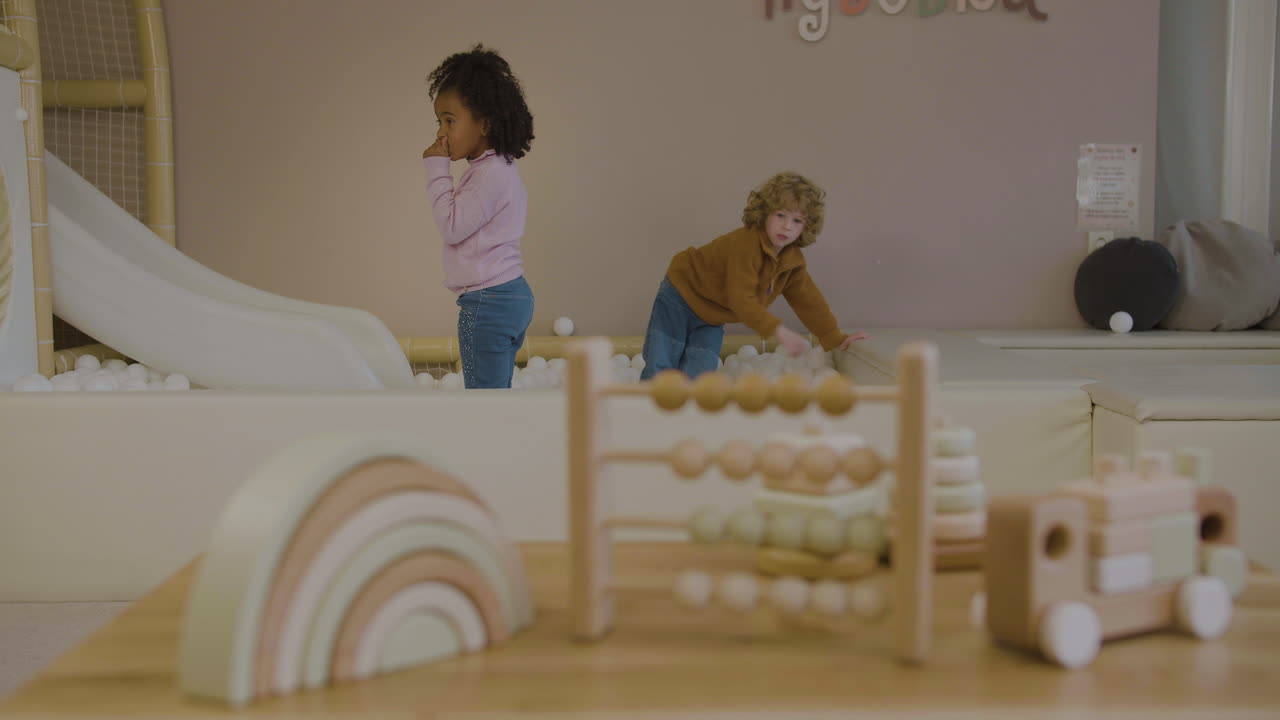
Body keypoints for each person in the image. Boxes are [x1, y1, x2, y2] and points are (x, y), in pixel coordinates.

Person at [640, 171, 868, 380]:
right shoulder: (745, 245)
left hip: (712, 316)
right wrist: (779, 331)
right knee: (662, 361)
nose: (787, 226)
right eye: (780, 215)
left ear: (806, 227)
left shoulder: (791, 262)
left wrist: (834, 337)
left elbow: (808, 301)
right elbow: (741, 300)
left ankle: (687, 410)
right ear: (765, 214)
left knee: (701, 370)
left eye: (797, 220)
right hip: (682, 295)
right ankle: (646, 406)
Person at [423, 44, 535, 389]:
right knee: (495, 390)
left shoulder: (489, 175)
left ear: (484, 123)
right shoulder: (498, 168)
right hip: (508, 295)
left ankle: (491, 426)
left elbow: (452, 226)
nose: (441, 132)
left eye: (450, 121)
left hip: (490, 301)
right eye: (439, 121)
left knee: (483, 397)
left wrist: (436, 168)